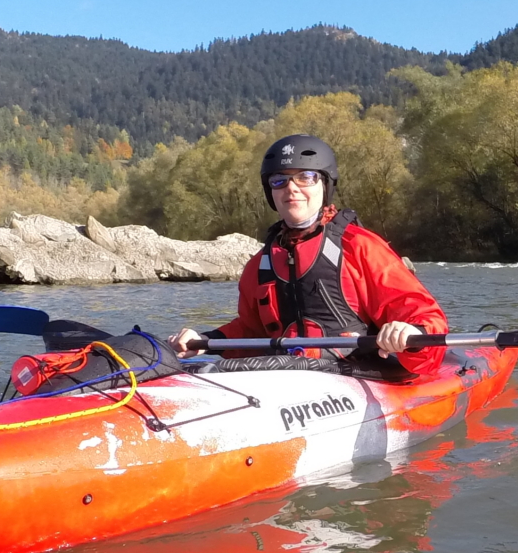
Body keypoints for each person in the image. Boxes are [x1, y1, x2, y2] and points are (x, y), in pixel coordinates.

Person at [168, 134, 447, 376]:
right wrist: (204, 340)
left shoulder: (360, 247)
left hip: (359, 374)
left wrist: (410, 332)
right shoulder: (259, 265)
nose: (291, 188)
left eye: (306, 177)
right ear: (270, 192)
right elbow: (252, 332)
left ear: (324, 185)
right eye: (279, 180)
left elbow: (424, 316)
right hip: (287, 376)